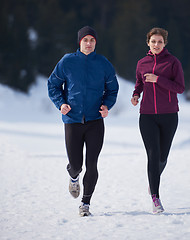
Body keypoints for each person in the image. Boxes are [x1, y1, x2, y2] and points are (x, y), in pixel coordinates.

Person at [48, 26, 119, 216]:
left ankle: (85, 203)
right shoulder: (67, 61)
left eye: (92, 40)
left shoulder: (103, 63)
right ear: (79, 42)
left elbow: (112, 89)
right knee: (76, 164)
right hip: (72, 120)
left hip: (95, 121)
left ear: (96, 42)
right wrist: (61, 104)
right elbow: (53, 85)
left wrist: (106, 106)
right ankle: (73, 176)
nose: (89, 43)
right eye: (85, 40)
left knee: (92, 163)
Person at [131, 27, 185, 214]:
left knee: (162, 157)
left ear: (165, 43)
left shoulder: (173, 63)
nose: (156, 44)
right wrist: (136, 95)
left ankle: (153, 180)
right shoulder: (142, 63)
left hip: (169, 115)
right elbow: (139, 83)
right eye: (153, 41)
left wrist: (158, 79)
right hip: (146, 116)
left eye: (159, 41)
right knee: (153, 155)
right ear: (148, 43)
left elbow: (180, 88)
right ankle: (155, 197)